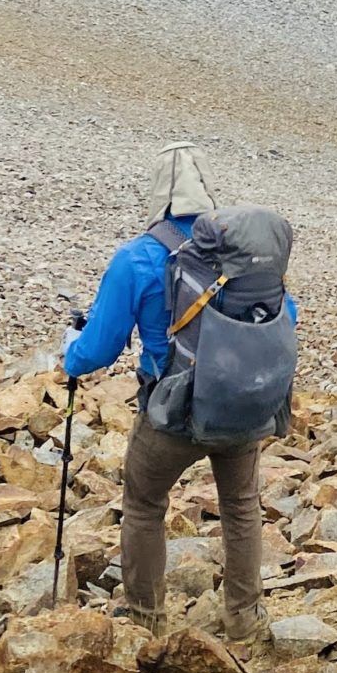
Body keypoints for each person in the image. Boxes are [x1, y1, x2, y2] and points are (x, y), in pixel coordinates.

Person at [62, 142, 286, 643]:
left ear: (156, 195)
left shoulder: (137, 258)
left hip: (170, 413)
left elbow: (98, 350)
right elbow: (284, 319)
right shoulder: (248, 256)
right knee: (241, 507)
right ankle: (245, 622)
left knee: (144, 505)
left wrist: (69, 353)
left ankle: (146, 620)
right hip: (241, 409)